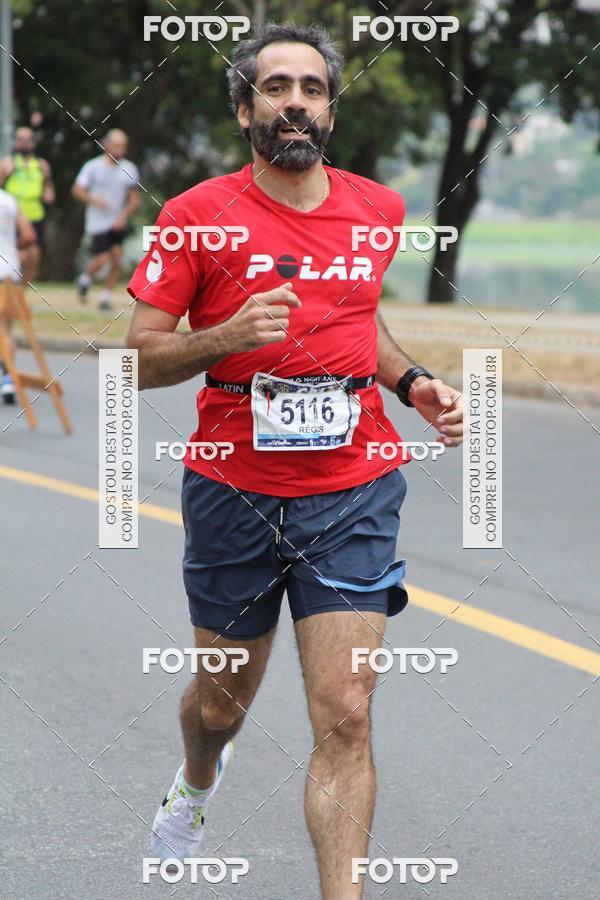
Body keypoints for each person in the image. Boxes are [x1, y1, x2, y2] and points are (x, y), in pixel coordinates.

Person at [126, 23, 464, 899]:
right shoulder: (193, 217)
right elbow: (137, 358)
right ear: (245, 110)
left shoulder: (378, 211)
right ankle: (197, 781)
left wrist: (412, 380)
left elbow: (362, 324)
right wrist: (230, 336)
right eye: (275, 88)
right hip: (234, 486)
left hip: (352, 486)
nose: (295, 103)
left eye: (311, 88)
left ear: (330, 109)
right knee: (218, 706)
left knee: (347, 715)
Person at [72, 129, 140, 311]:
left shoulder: (129, 168)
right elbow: (77, 190)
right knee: (101, 259)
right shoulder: (92, 167)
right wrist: (94, 200)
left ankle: (105, 297)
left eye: (123, 146)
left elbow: (134, 199)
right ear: (107, 145)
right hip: (97, 221)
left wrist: (123, 216)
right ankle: (85, 279)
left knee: (117, 258)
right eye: (117, 145)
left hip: (117, 219)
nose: (120, 150)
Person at [0, 126, 55, 283]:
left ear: (34, 143)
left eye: (28, 140)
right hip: (12, 218)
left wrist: (48, 186)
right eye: (21, 140)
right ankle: (10, 281)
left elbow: (48, 192)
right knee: (17, 254)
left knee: (35, 255)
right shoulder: (8, 163)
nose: (25, 143)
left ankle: (21, 291)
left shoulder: (41, 165)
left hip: (34, 215)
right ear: (15, 142)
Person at [0, 188, 36, 404]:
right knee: (5, 328)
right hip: (9, 271)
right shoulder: (9, 200)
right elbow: (29, 235)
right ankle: (8, 378)